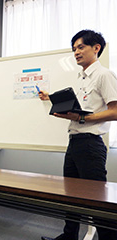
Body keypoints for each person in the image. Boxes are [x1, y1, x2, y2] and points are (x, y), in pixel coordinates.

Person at [39, 30, 117, 240]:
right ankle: (69, 236)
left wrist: (83, 119)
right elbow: (81, 109)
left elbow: (115, 111)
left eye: (81, 47)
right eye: (74, 49)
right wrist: (52, 99)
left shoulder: (104, 75)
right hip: (74, 143)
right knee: (71, 196)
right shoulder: (81, 78)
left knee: (97, 199)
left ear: (96, 48)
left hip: (91, 144)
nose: (76, 53)